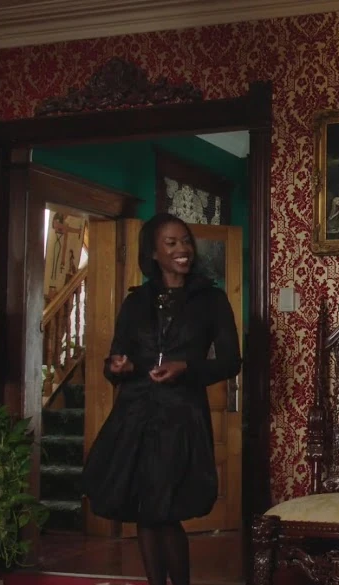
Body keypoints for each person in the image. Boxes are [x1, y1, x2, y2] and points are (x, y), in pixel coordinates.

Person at [82, 213, 241, 585]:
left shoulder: (212, 300)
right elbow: (116, 359)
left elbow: (231, 362)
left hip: (181, 417)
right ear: (153, 252)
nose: (183, 249)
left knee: (164, 511)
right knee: (146, 511)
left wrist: (185, 367)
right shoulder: (135, 302)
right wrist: (117, 366)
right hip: (135, 416)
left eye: (185, 241)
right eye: (171, 243)